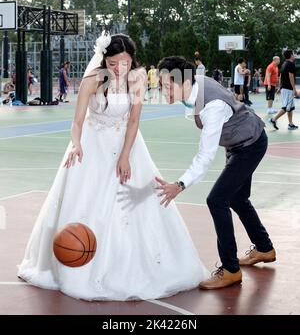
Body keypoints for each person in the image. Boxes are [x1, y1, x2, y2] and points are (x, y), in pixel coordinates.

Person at [18, 34, 207, 301]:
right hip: (92, 145)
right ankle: (77, 268)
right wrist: (75, 144)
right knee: (86, 204)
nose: (119, 69)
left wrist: (125, 155)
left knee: (134, 208)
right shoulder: (92, 80)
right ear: (105, 60)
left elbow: (133, 121)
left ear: (132, 60)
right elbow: (77, 121)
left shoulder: (137, 78)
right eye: (114, 63)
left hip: (127, 145)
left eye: (125, 63)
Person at [156, 56, 276, 290]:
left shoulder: (212, 107)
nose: (163, 90)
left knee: (217, 199)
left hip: (250, 144)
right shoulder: (195, 86)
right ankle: (264, 248)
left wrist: (180, 184)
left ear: (185, 83)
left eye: (168, 85)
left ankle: (230, 269)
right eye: (161, 85)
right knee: (237, 198)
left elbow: (205, 157)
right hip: (239, 141)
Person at [269, 50, 298, 130]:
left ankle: (290, 124)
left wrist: (280, 87)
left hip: (284, 88)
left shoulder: (284, 64)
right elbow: (291, 76)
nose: (294, 55)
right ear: (291, 55)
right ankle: (273, 119)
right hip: (288, 89)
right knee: (285, 107)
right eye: (293, 54)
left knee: (290, 108)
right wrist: (294, 89)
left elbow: (281, 76)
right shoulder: (291, 64)